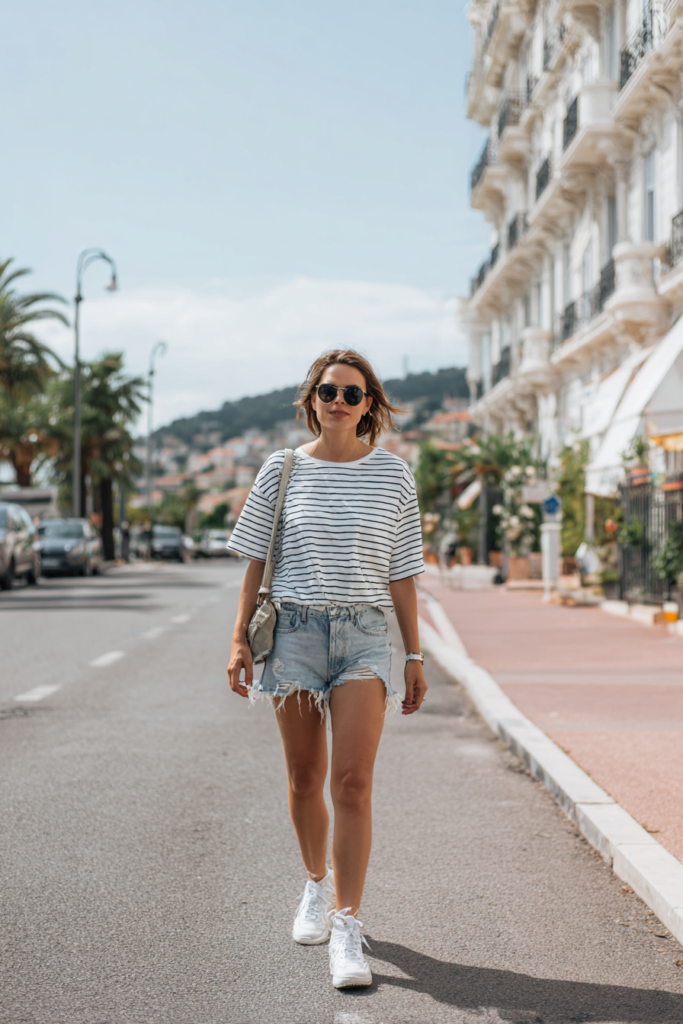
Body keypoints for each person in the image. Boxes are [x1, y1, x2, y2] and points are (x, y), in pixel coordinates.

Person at [227, 349, 427, 989]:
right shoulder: (279, 469)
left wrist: (414, 653)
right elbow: (255, 560)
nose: (339, 402)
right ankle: (315, 883)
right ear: (311, 399)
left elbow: (403, 573)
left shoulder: (395, 477)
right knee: (304, 776)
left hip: (366, 637)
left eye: (353, 393)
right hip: (293, 634)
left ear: (370, 405)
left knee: (352, 785)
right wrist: (238, 642)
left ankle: (347, 925)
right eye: (329, 391)